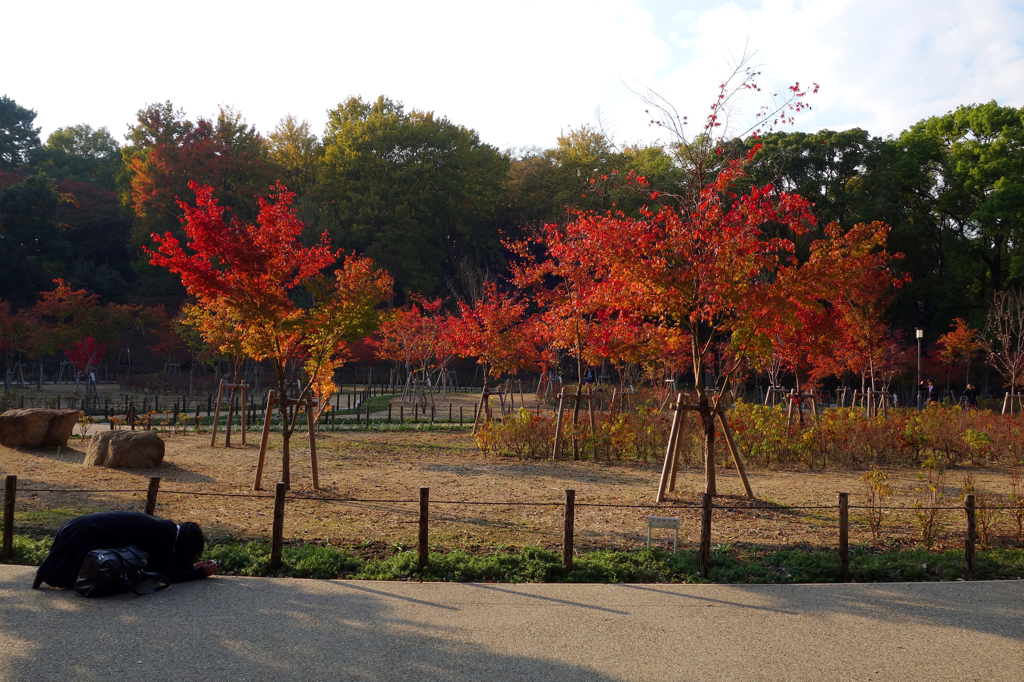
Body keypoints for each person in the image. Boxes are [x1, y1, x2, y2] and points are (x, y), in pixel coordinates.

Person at [32, 511, 218, 589]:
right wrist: (200, 573)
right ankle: (45, 575)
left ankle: (42, 574)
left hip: (76, 525)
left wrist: (188, 568)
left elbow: (161, 565)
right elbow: (166, 573)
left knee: (61, 558)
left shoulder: (166, 529)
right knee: (78, 577)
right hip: (86, 533)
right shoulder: (166, 535)